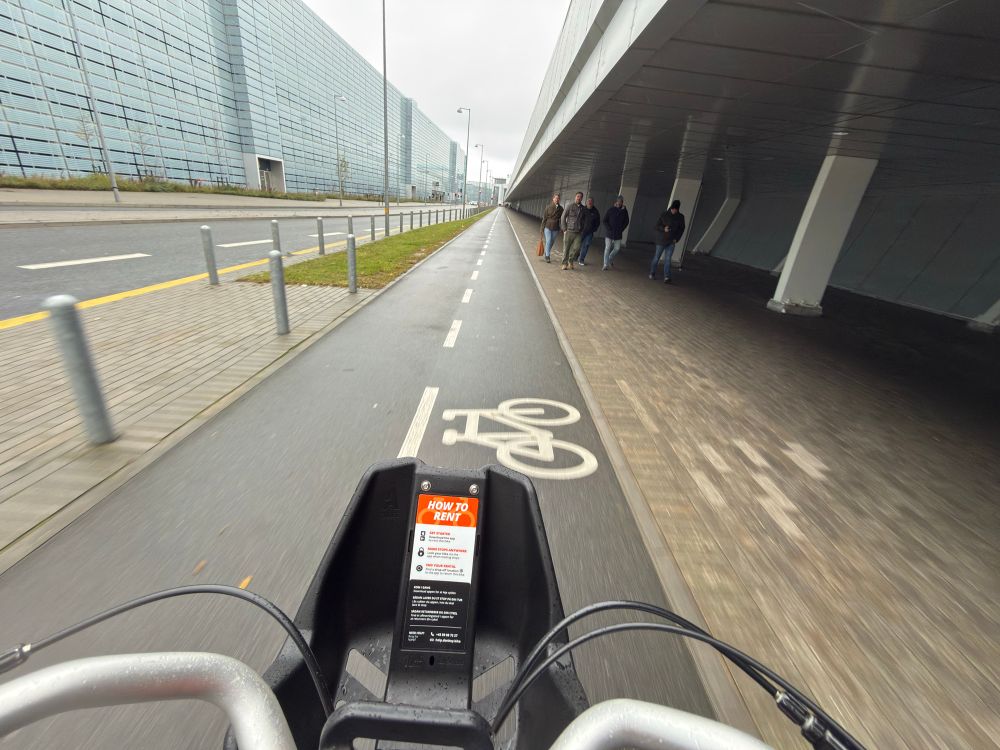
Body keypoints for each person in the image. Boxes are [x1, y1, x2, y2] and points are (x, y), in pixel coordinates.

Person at [649, 199, 685, 283]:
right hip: (661, 240)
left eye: (675, 209)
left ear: (678, 209)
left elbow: (681, 229)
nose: (674, 211)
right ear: (671, 207)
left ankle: (667, 277)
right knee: (656, 257)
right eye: (673, 209)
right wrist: (663, 229)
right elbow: (656, 226)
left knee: (668, 259)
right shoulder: (664, 214)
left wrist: (677, 238)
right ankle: (652, 273)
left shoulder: (680, 217)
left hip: (671, 241)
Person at [602, 195, 629, 270]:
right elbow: (604, 220)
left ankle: (610, 258)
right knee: (607, 248)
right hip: (609, 233)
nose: (619, 203)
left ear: (622, 202)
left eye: (621, 201)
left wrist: (621, 229)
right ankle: (605, 264)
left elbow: (626, 221)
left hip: (618, 234)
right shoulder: (611, 210)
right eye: (618, 201)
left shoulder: (624, 211)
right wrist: (609, 228)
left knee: (617, 248)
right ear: (616, 201)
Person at [560, 191, 585, 270]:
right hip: (569, 231)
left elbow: (584, 220)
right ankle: (564, 264)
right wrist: (564, 229)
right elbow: (563, 217)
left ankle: (570, 260)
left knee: (577, 249)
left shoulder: (583, 208)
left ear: (582, 198)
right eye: (577, 196)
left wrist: (582, 229)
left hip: (578, 232)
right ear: (575, 197)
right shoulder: (570, 206)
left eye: (580, 197)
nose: (579, 198)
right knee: (566, 249)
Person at [577, 197, 601, 266]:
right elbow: (579, 219)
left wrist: (594, 229)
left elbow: (598, 222)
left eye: (591, 201)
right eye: (588, 201)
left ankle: (581, 259)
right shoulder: (583, 209)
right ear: (586, 202)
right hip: (582, 231)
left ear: (593, 203)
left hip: (590, 232)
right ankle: (575, 256)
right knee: (577, 244)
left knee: (586, 245)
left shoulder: (595, 211)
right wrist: (580, 228)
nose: (590, 202)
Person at [539, 193, 563, 263]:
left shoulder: (561, 208)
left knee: (551, 242)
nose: (557, 199)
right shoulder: (548, 207)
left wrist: (562, 227)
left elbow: (562, 218)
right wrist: (542, 228)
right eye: (555, 198)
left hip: (556, 227)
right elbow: (544, 218)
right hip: (548, 226)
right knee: (548, 241)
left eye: (558, 198)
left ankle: (547, 252)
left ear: (559, 199)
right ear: (553, 199)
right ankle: (547, 256)